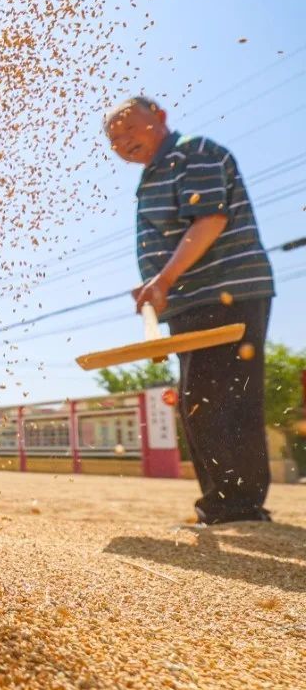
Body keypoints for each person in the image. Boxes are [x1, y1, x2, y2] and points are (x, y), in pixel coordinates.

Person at [105, 96, 275, 525]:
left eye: (129, 129)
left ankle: (236, 505)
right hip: (192, 301)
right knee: (197, 400)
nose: (123, 142)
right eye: (114, 140)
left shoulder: (191, 152)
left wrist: (161, 280)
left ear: (160, 118)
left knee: (218, 398)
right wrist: (156, 283)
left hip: (224, 294)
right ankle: (228, 502)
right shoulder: (153, 175)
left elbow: (209, 220)